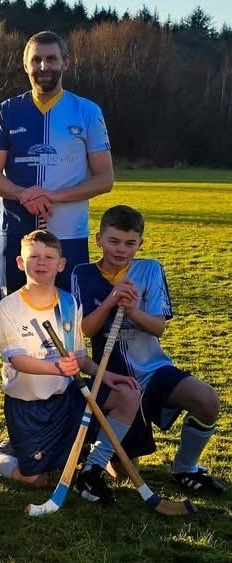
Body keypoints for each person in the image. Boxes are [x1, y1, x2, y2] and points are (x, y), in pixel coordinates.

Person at [0, 229, 141, 503]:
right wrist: (57, 369)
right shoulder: (10, 305)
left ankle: (93, 470)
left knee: (128, 395)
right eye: (34, 256)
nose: (41, 262)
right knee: (34, 479)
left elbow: (78, 357)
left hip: (67, 398)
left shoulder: (69, 302)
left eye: (49, 257)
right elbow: (16, 359)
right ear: (20, 262)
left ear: (60, 264)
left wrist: (107, 375)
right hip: (28, 408)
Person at [71, 205, 224, 493]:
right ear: (98, 240)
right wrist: (110, 302)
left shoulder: (150, 269)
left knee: (207, 401)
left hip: (154, 369)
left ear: (140, 244)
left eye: (130, 243)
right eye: (114, 241)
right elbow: (87, 330)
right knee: (125, 474)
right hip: (115, 379)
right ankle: (99, 452)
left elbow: (158, 327)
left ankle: (185, 468)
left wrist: (131, 310)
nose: (121, 250)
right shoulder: (83, 274)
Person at [0, 30, 114, 303]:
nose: (44, 67)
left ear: (66, 62)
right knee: (13, 314)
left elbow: (104, 178)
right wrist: (23, 195)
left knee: (67, 315)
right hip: (15, 230)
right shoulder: (7, 111)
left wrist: (53, 196)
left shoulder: (87, 111)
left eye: (51, 59)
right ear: (25, 64)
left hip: (69, 232)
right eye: (36, 60)